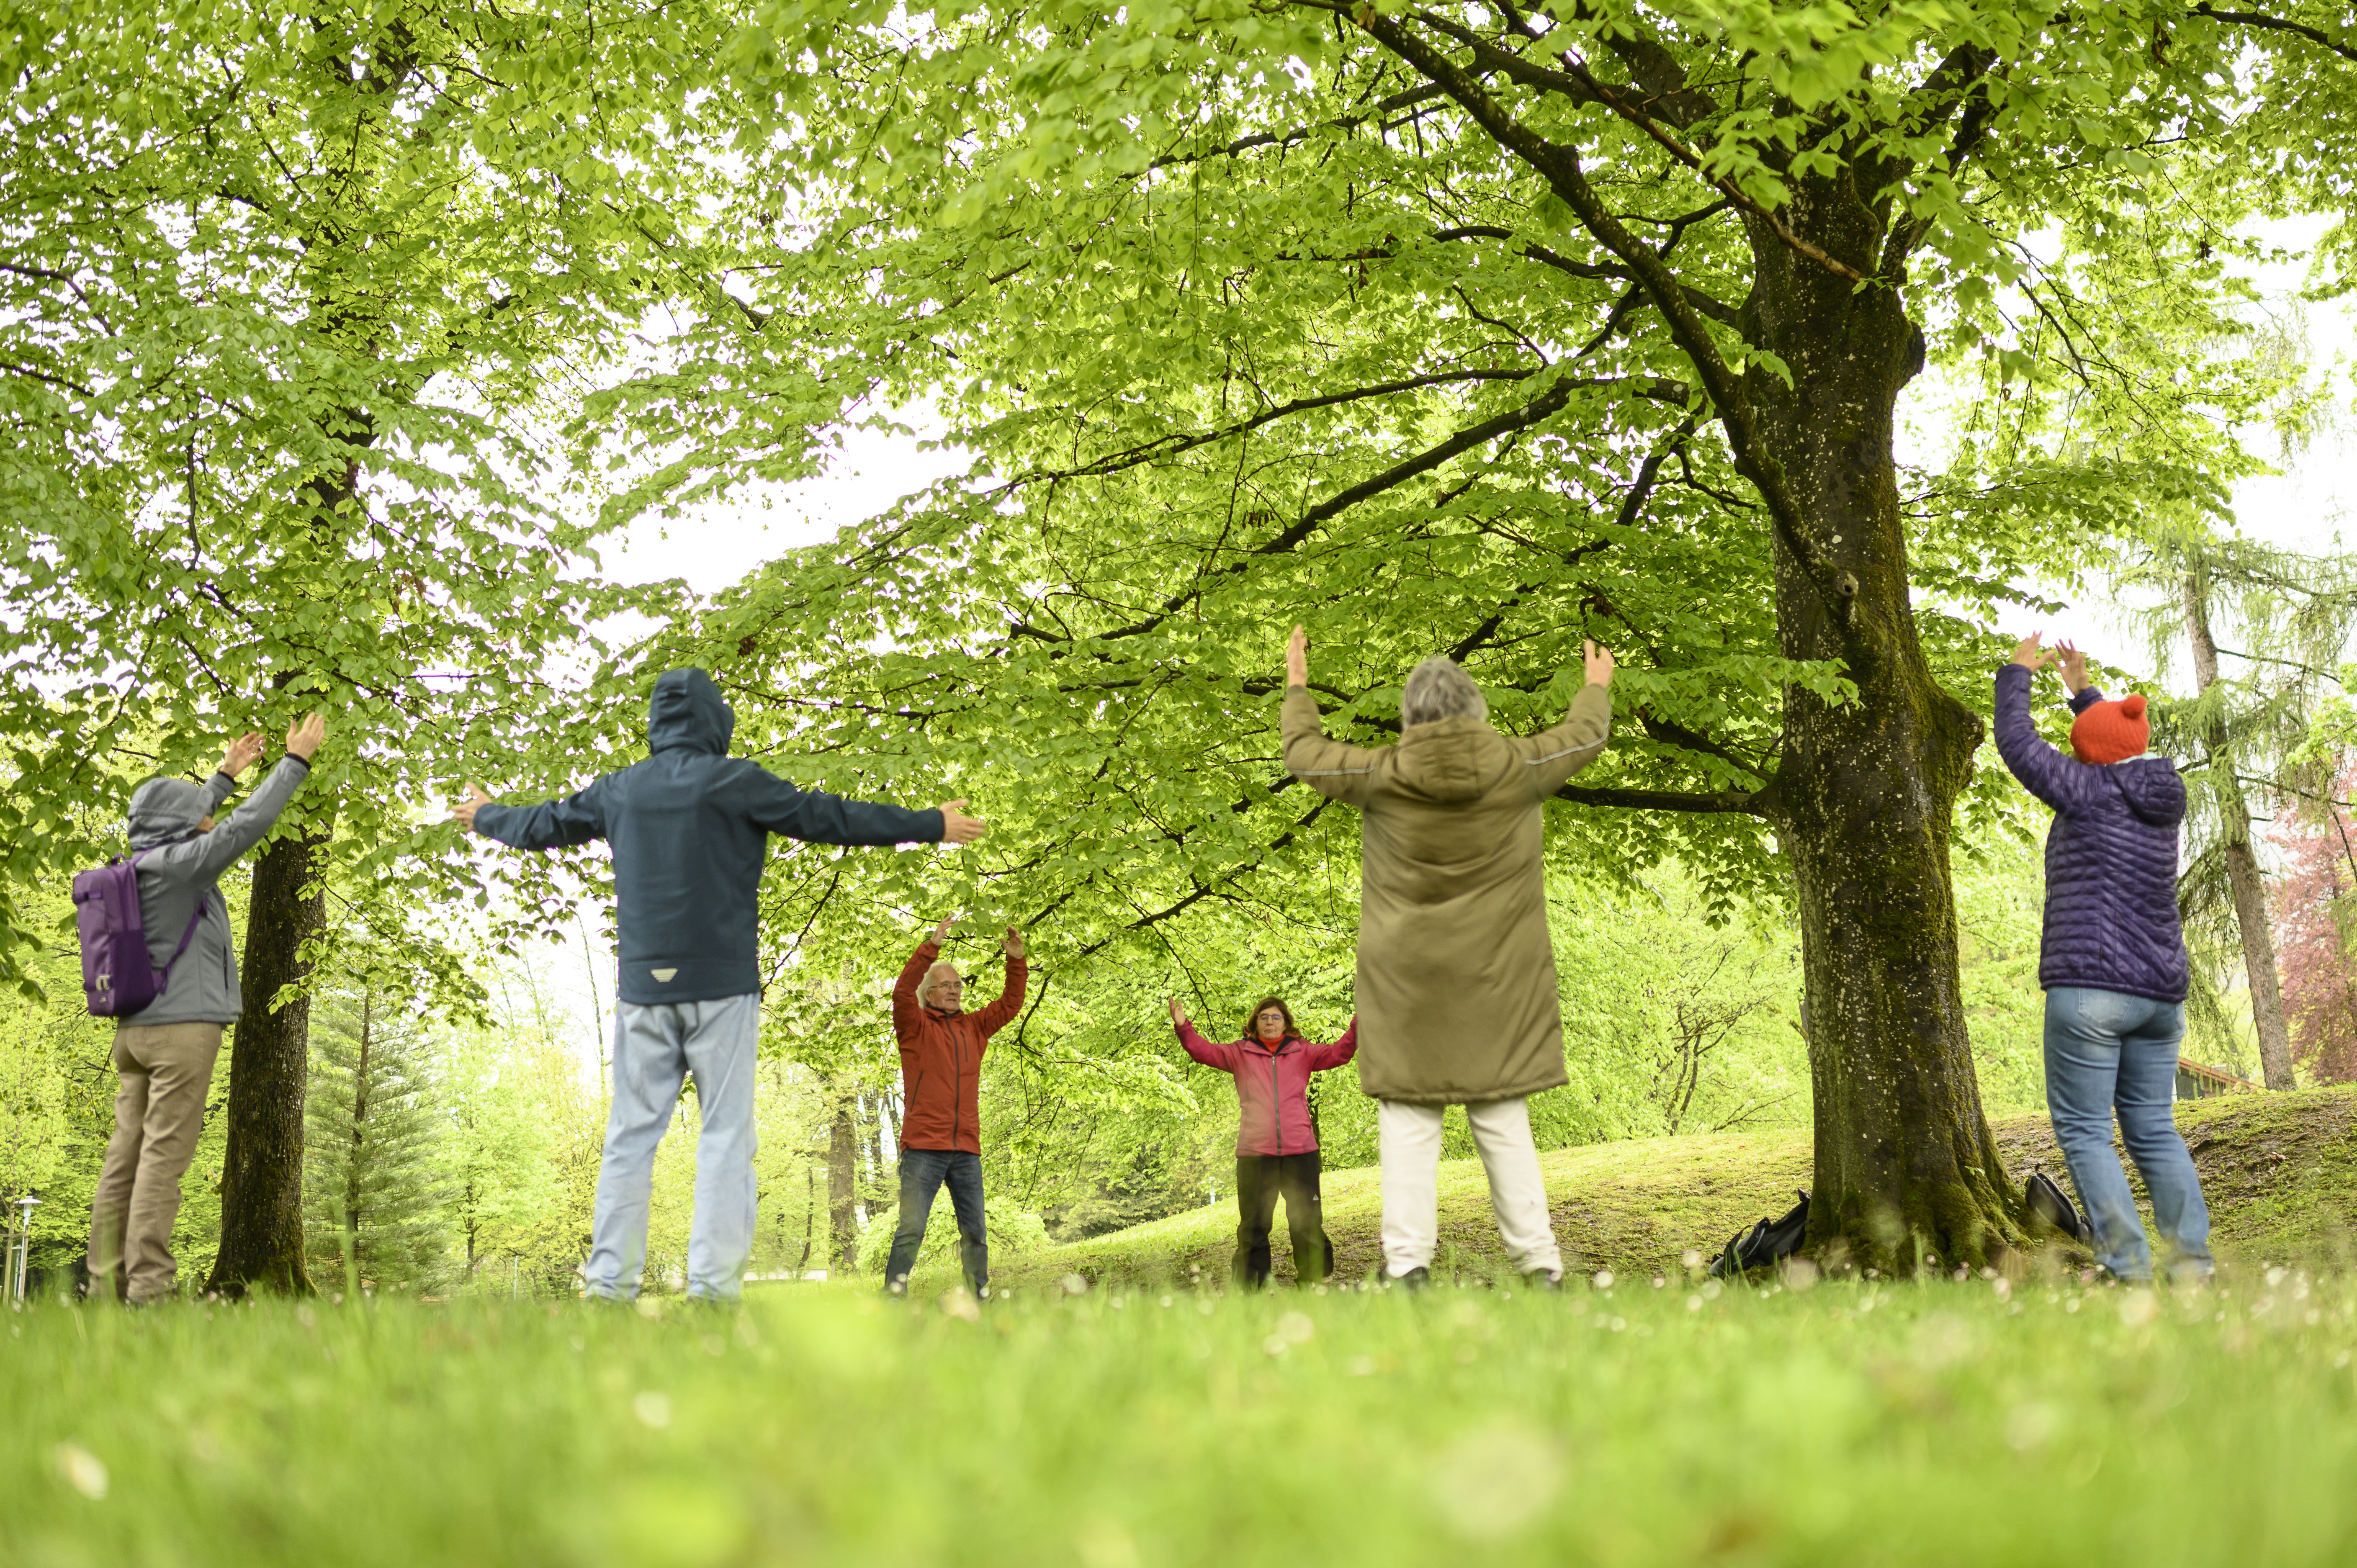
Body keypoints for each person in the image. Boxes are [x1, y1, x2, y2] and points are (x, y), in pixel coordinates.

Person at [453, 667, 982, 1303]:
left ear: (657, 722)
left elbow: (544, 823)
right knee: (725, 1137)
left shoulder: (621, 789)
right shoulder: (737, 781)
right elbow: (829, 817)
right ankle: (710, 1291)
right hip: (722, 988)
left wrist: (485, 815)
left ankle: (609, 1288)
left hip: (643, 990)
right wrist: (929, 823)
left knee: (629, 1139)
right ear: (715, 721)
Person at [1281, 626, 1613, 1287]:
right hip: (1499, 983)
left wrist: (1296, 684)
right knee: (1502, 1118)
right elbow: (1584, 736)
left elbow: (1303, 752)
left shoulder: (1379, 774)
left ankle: (1408, 1267)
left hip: (1407, 986)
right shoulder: (1519, 766)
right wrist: (1595, 686)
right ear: (1476, 709)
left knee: (1408, 1120)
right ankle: (1539, 1264)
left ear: (1410, 715)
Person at [87, 713, 327, 1305]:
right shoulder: (183, 868)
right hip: (181, 1033)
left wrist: (226, 773)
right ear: (180, 825)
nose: (210, 815)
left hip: (134, 1033)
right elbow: (245, 826)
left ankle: (107, 1286)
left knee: (124, 1159)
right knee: (162, 1160)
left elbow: (199, 818)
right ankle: (150, 1291)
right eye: (200, 811)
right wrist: (293, 763)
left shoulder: (139, 868)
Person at [1995, 634, 2213, 1283]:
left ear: (2088, 754)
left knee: (2085, 1130)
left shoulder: (2084, 791)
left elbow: (2018, 744)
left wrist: (2016, 674)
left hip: (2090, 988)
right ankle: (2192, 1270)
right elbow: (2111, 742)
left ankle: (2127, 1268)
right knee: (2153, 1128)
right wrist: (2084, 693)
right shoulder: (2159, 798)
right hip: (2158, 995)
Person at [1166, 993, 1356, 1287]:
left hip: (1300, 1153)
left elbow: (1340, 1053)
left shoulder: (1303, 1051)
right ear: (1255, 1023)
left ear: (1286, 1023)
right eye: (1264, 1017)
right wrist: (1183, 1026)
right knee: (1254, 1224)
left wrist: (1358, 1025)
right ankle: (1253, 1287)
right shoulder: (1239, 1053)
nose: (1270, 1022)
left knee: (1306, 1221)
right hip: (1255, 1155)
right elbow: (1204, 1052)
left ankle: (1314, 1282)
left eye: (1276, 1017)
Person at [885, 915, 1027, 1298]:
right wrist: (930, 948)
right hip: (923, 1148)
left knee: (975, 1233)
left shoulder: (975, 1027)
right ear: (929, 994)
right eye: (944, 985)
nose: (953, 990)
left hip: (966, 1148)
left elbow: (1011, 1004)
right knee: (911, 1230)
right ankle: (892, 1301)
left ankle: (978, 1300)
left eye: (957, 985)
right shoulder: (914, 1026)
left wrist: (1016, 962)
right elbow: (901, 991)